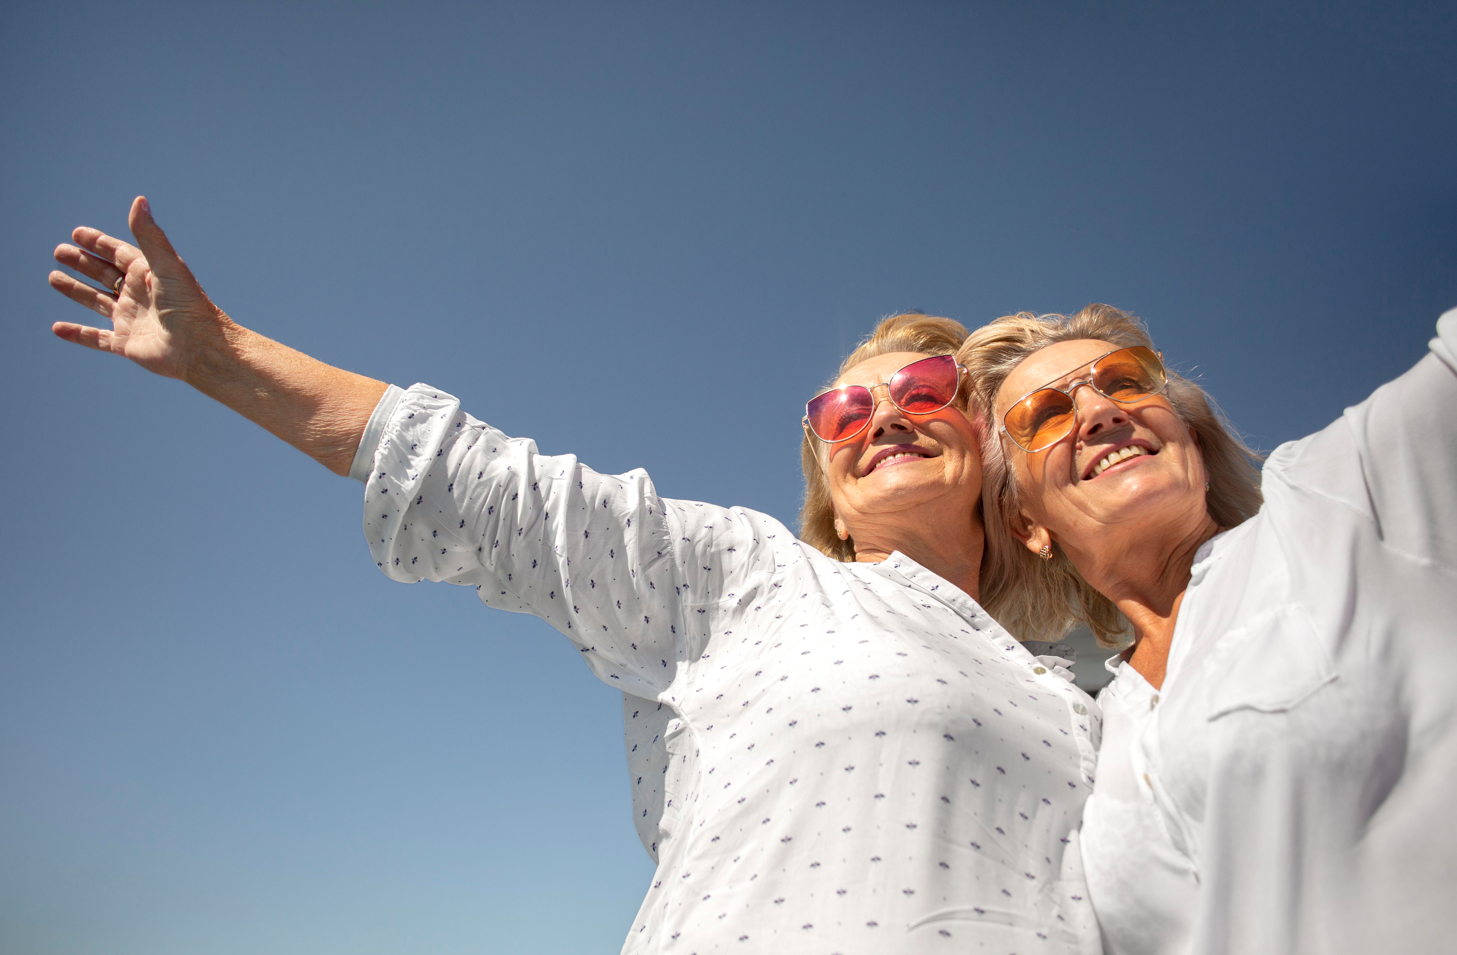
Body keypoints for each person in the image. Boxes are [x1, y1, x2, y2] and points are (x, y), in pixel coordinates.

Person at [48, 197, 1104, 955]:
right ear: (824, 482)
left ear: (982, 440)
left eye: (921, 388)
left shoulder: (1083, 704)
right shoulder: (746, 578)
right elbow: (489, 488)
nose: (878, 413)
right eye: (839, 411)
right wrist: (221, 353)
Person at [957, 303, 1457, 955]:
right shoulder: (1091, 733)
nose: (1100, 412)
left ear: (1188, 433)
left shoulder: (1336, 501)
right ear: (1026, 523)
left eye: (1125, 380)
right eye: (1046, 414)